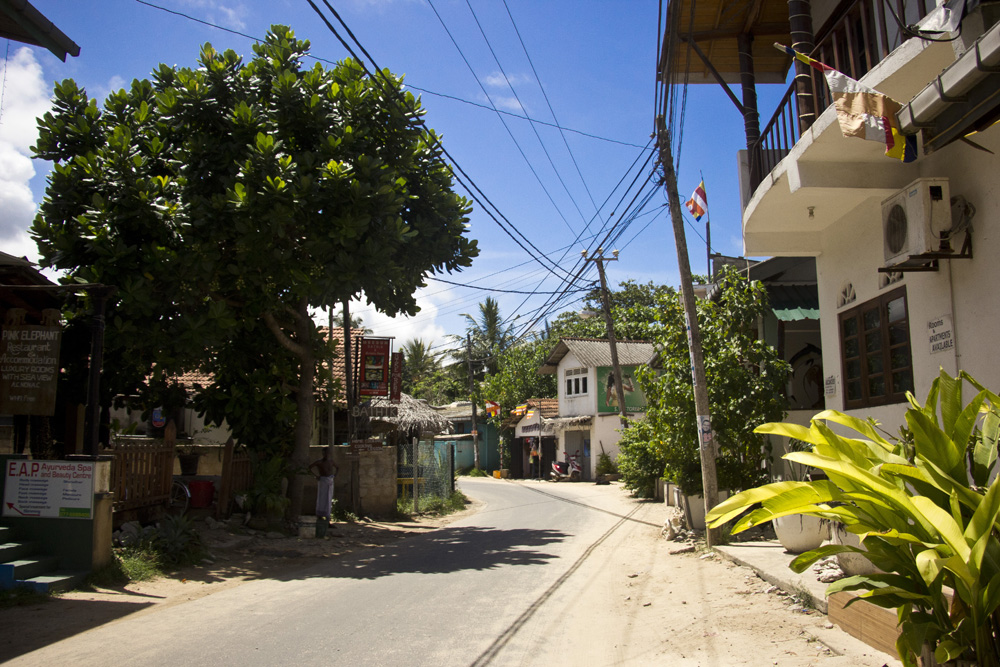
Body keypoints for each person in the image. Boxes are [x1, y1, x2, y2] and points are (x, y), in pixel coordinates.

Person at [309, 447, 339, 521]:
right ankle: (320, 515)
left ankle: (328, 517)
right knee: (322, 498)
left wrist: (335, 475)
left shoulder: (331, 461)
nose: (326, 454)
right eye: (324, 453)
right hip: (323, 480)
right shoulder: (319, 462)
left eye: (327, 453)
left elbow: (337, 467)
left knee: (329, 498)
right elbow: (309, 467)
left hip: (330, 480)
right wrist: (315, 476)